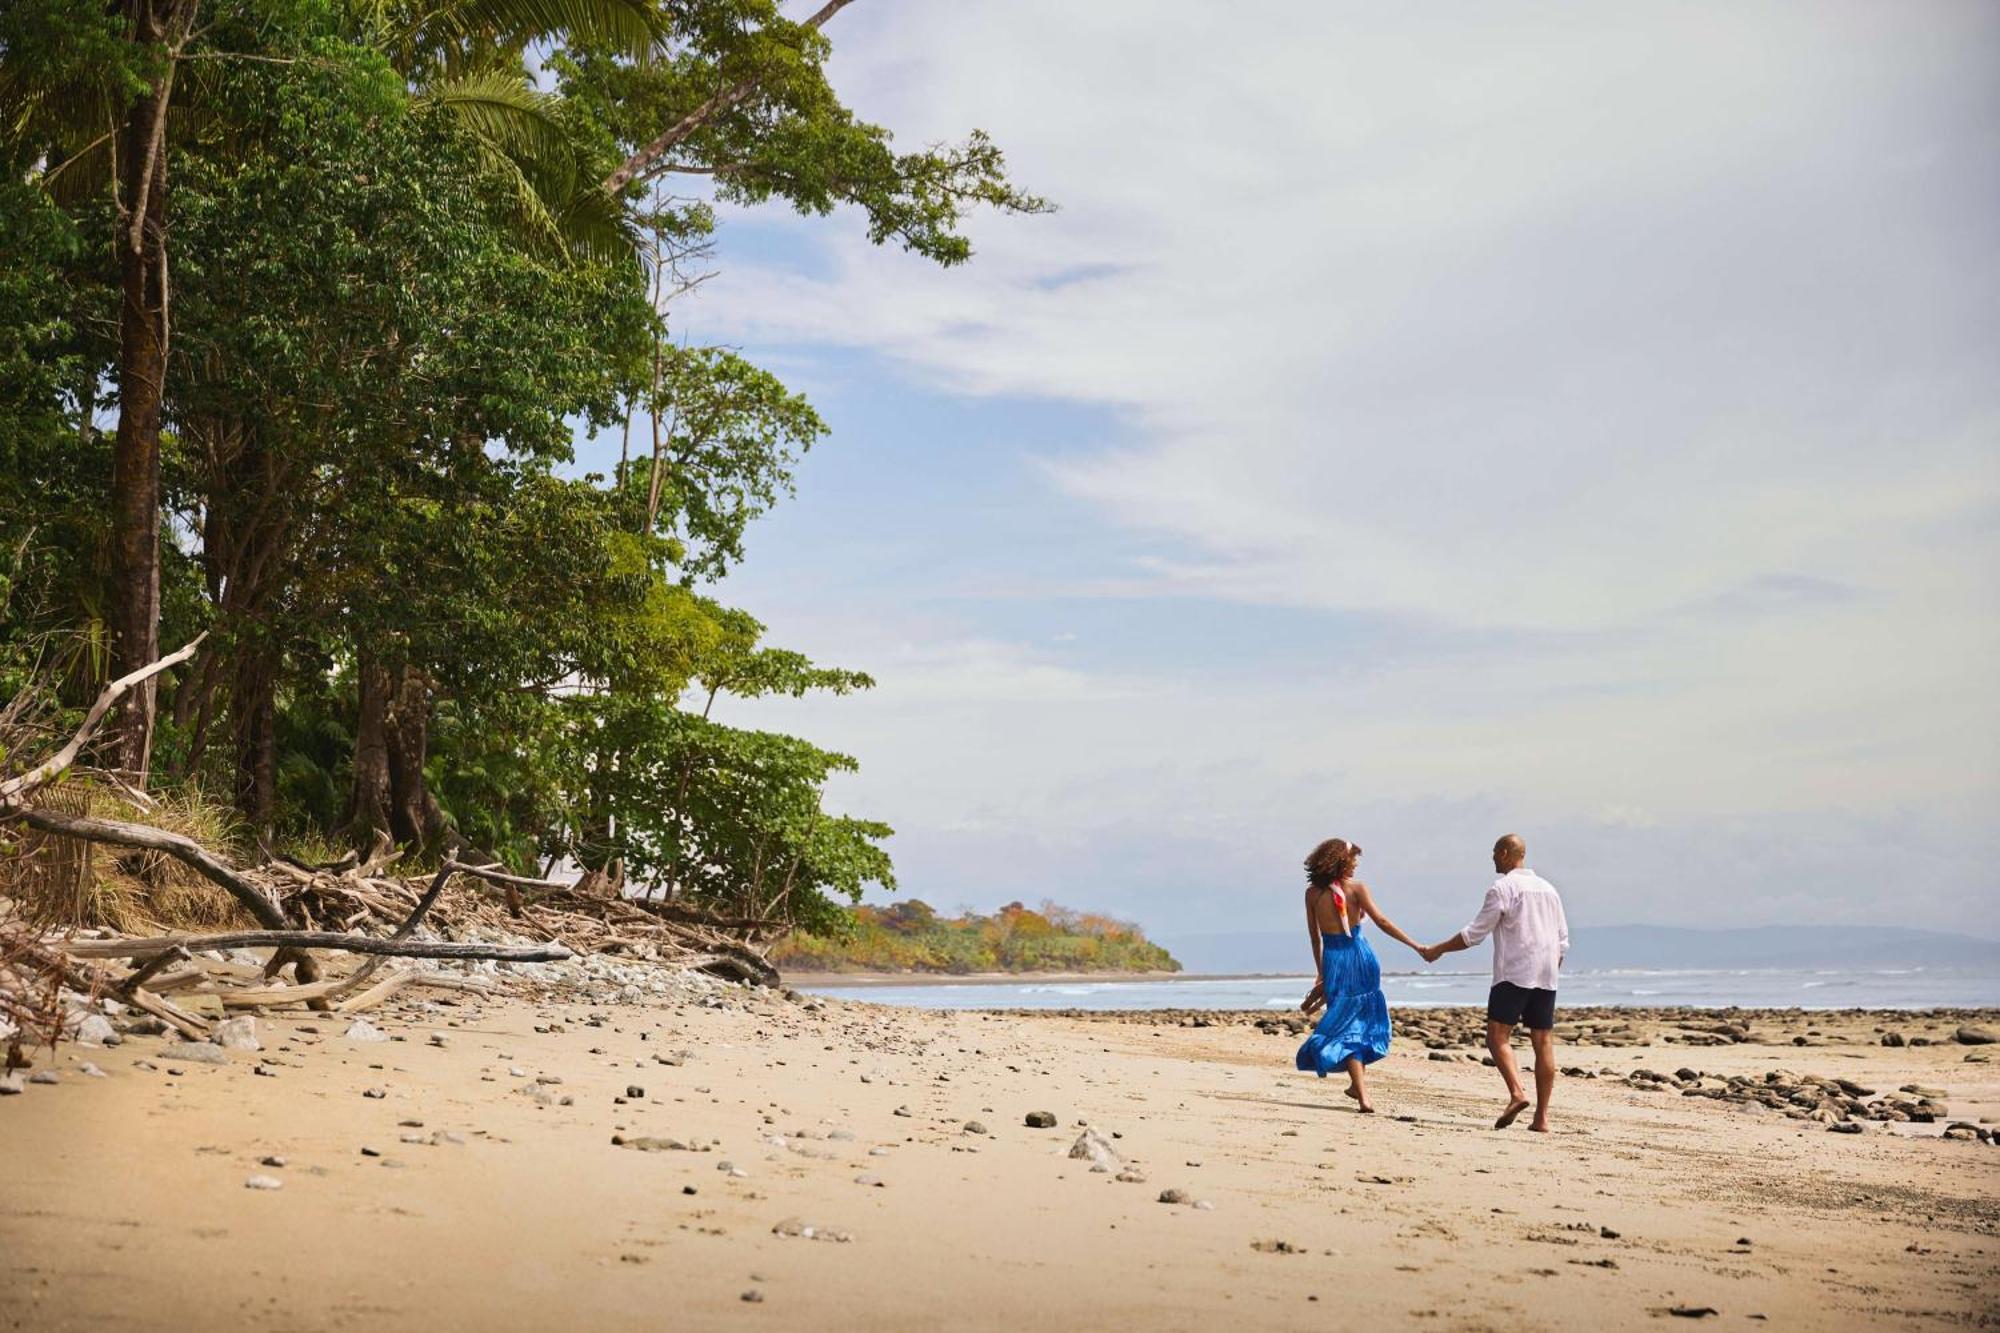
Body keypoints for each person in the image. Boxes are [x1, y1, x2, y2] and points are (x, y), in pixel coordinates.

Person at [1421, 834, 1569, 1132]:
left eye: (1493, 852)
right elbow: (1563, 941)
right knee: (1542, 1042)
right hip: (1546, 975)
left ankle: (1516, 1093)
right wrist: (1549, 970)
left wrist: (1437, 949)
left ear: (1504, 853)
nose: (1491, 858)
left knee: (1497, 1035)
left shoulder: (1503, 887)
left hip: (1514, 972)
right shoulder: (1549, 890)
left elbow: (1474, 934)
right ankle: (1541, 1119)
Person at [1294, 838, 1428, 1113]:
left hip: (1334, 960)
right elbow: (1382, 922)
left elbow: (1315, 939)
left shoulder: (1312, 894)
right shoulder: (1357, 889)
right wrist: (1416, 946)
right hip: (1360, 956)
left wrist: (1321, 973)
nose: (1356, 864)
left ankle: (1360, 1090)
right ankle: (1362, 1092)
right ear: (1341, 861)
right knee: (1359, 1023)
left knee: (1347, 1024)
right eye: (1353, 859)